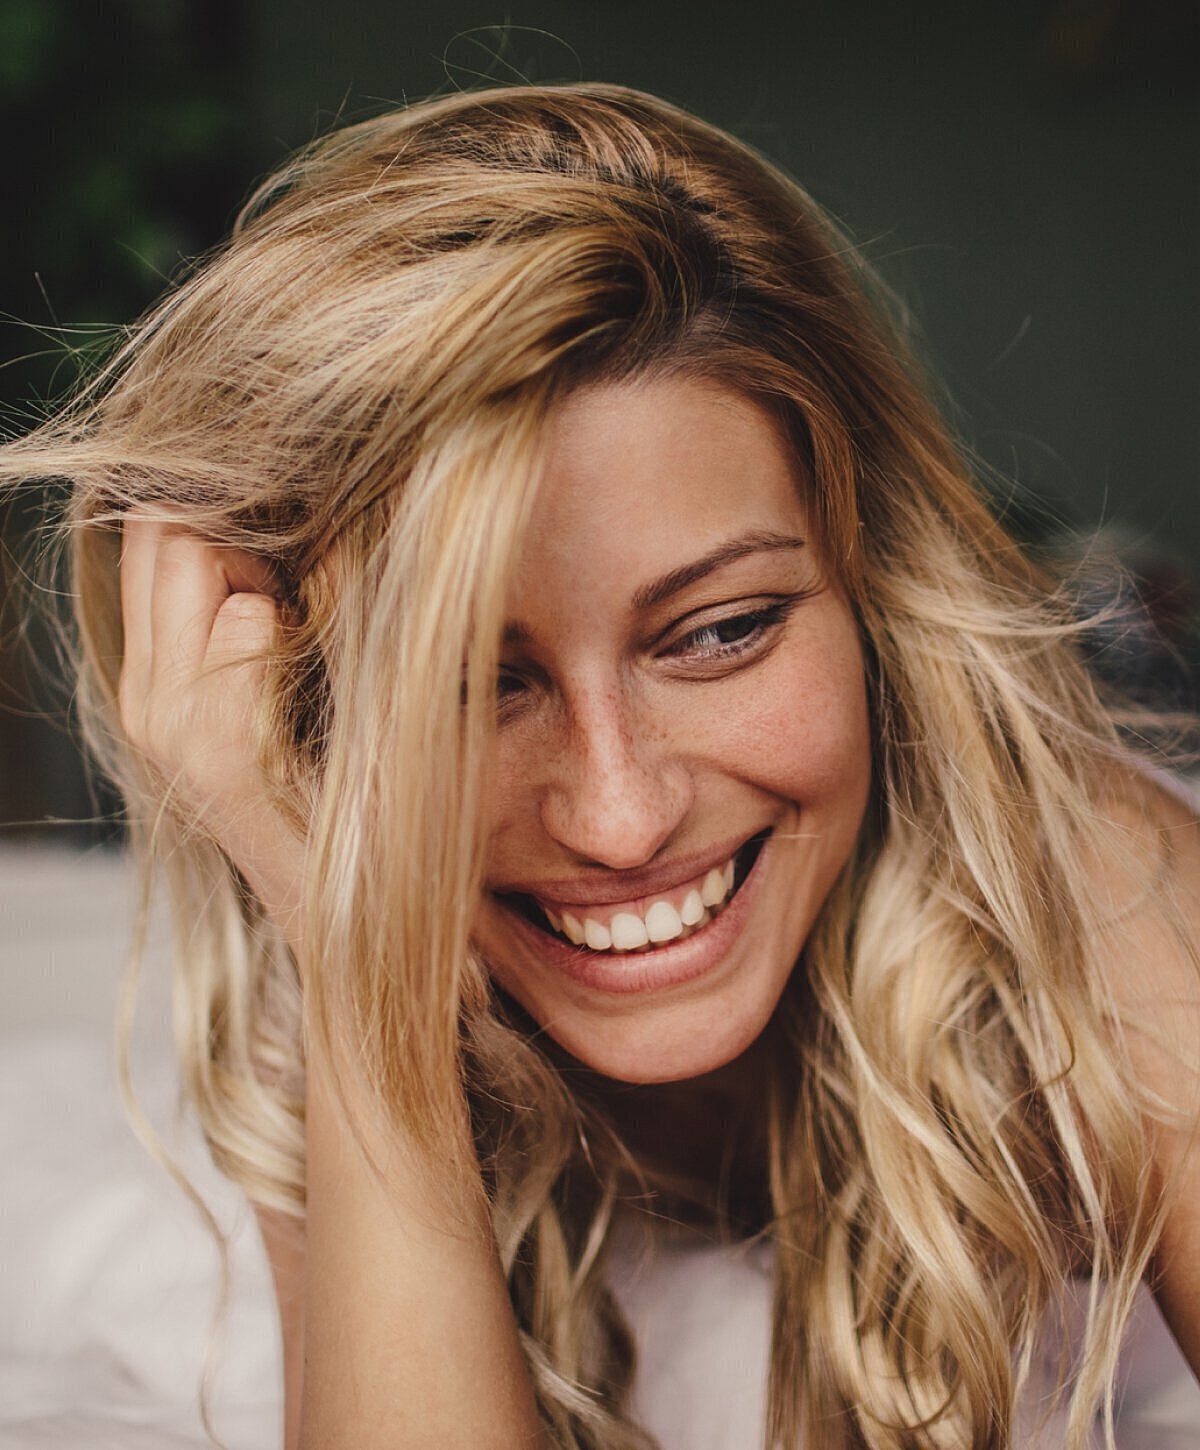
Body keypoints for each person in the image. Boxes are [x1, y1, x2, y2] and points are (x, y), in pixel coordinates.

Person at [2, 82, 1198, 1450]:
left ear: (874, 593)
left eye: (722, 631)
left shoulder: (1099, 886)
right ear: (304, 715)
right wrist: (352, 947)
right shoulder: (321, 979)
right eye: (468, 686)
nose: (621, 816)